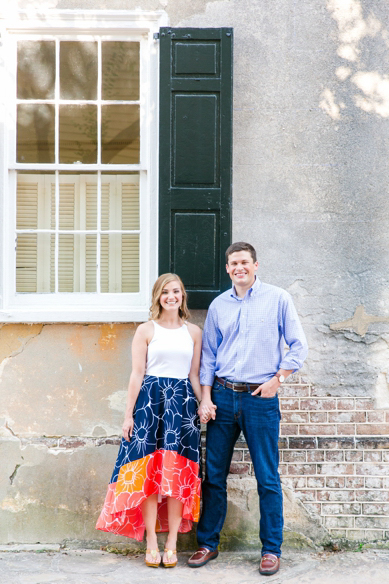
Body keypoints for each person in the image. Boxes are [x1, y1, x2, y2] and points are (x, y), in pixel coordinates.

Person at [188, 242, 308, 576]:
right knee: (214, 476)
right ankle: (208, 544)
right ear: (227, 269)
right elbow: (209, 355)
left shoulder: (278, 298)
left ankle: (271, 550)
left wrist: (278, 380)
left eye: (244, 262)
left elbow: (299, 345)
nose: (239, 268)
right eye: (233, 263)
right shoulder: (218, 306)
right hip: (223, 397)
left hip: (260, 398)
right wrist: (207, 397)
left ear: (256, 265)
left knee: (268, 477)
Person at [96, 273, 210, 568]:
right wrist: (127, 415)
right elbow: (137, 374)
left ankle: (171, 542)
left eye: (176, 292)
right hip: (149, 404)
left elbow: (194, 375)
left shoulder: (194, 333)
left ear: (183, 296)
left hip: (182, 407)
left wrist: (203, 403)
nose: (171, 297)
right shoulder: (146, 330)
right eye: (165, 292)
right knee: (147, 475)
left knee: (175, 476)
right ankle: (151, 541)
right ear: (157, 297)